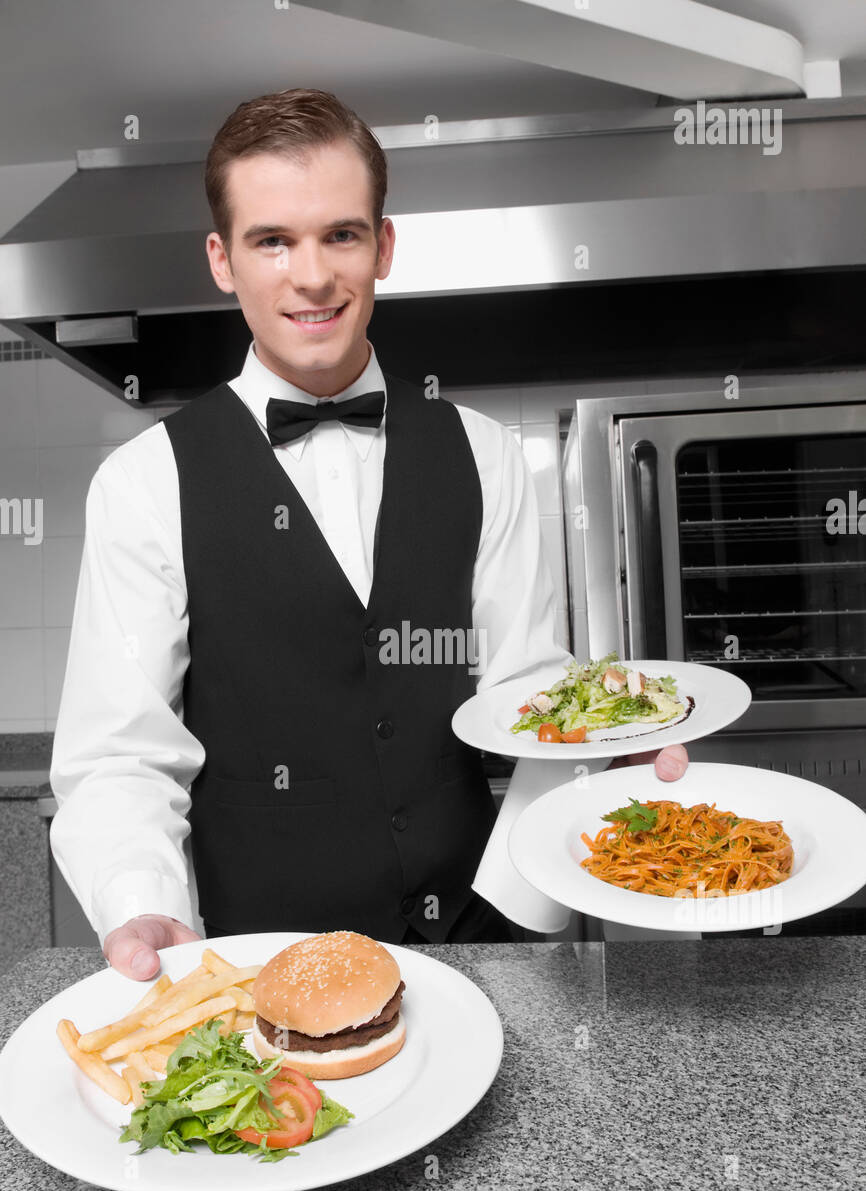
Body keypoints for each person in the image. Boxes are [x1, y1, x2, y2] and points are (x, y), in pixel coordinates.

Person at [49, 88, 688, 979]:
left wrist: (527, 900)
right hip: (256, 971)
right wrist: (142, 906)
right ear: (221, 261)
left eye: (340, 234)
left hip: (477, 954)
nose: (311, 276)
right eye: (272, 240)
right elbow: (121, 758)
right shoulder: (144, 482)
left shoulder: (488, 456)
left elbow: (531, 700)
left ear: (383, 246)